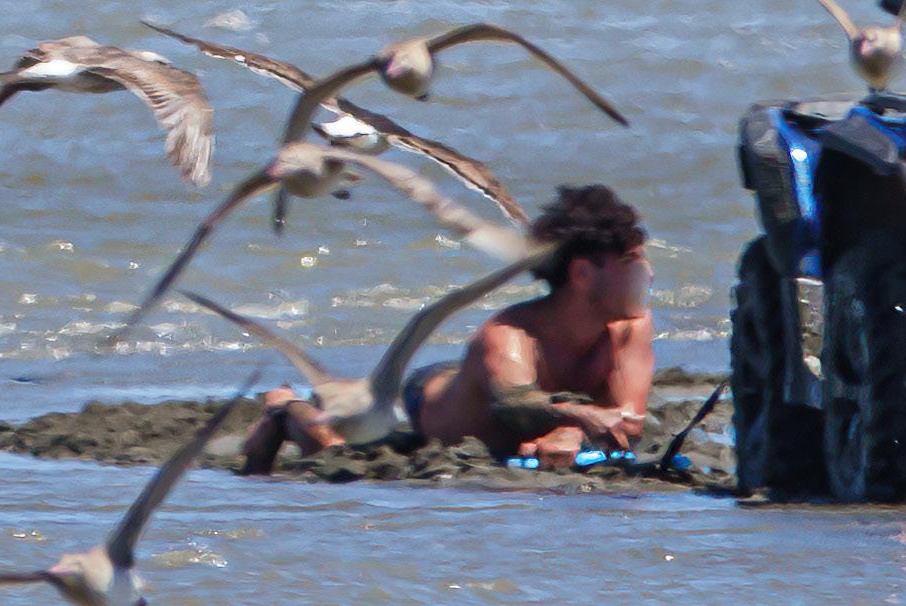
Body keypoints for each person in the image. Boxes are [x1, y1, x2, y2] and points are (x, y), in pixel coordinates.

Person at [240, 179, 656, 467]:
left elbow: (628, 421)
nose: (648, 275)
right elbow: (514, 407)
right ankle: (284, 409)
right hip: (434, 402)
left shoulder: (630, 327)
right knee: (338, 452)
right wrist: (580, 421)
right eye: (631, 263)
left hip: (479, 379)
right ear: (582, 274)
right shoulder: (508, 336)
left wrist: (572, 432)